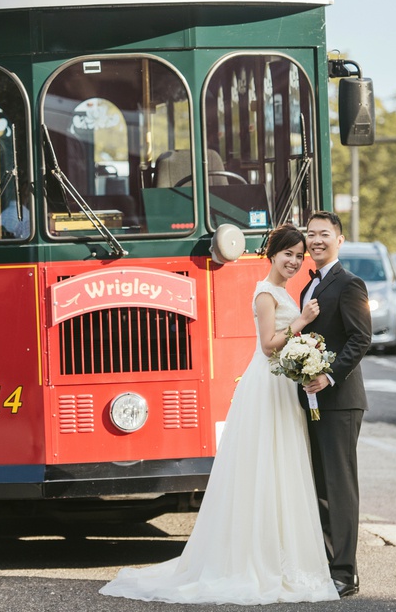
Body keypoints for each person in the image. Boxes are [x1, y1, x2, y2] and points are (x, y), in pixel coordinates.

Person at [100, 224, 339, 605]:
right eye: (288, 254)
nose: (294, 262)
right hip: (267, 383)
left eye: (299, 255)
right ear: (272, 254)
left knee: (283, 465)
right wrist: (302, 323)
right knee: (267, 464)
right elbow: (267, 346)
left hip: (280, 384)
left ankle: (282, 552)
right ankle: (259, 558)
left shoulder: (282, 291)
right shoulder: (265, 293)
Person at [301, 211, 372, 599]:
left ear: (339, 240)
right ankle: (329, 565)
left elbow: (361, 339)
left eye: (324, 234)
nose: (316, 240)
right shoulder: (308, 288)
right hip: (313, 401)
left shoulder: (350, 284)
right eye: (310, 234)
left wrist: (328, 376)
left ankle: (346, 573)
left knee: (340, 488)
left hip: (341, 401)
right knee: (322, 487)